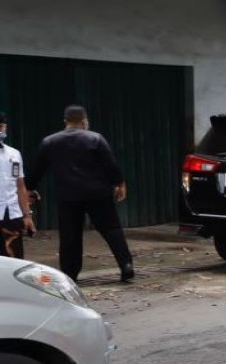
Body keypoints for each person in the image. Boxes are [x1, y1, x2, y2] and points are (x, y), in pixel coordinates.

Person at [25, 105, 134, 282]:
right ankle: (126, 265)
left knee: (70, 235)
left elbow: (37, 170)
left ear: (65, 122)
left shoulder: (50, 142)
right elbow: (111, 165)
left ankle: (70, 274)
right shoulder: (96, 139)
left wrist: (29, 188)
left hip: (68, 196)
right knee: (111, 229)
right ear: (84, 121)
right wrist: (120, 183)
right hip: (98, 193)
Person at [0, 113, 37, 259]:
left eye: (2, 127)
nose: (1, 130)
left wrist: (27, 215)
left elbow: (20, 186)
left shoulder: (14, 154)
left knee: (14, 259)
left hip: (12, 214)